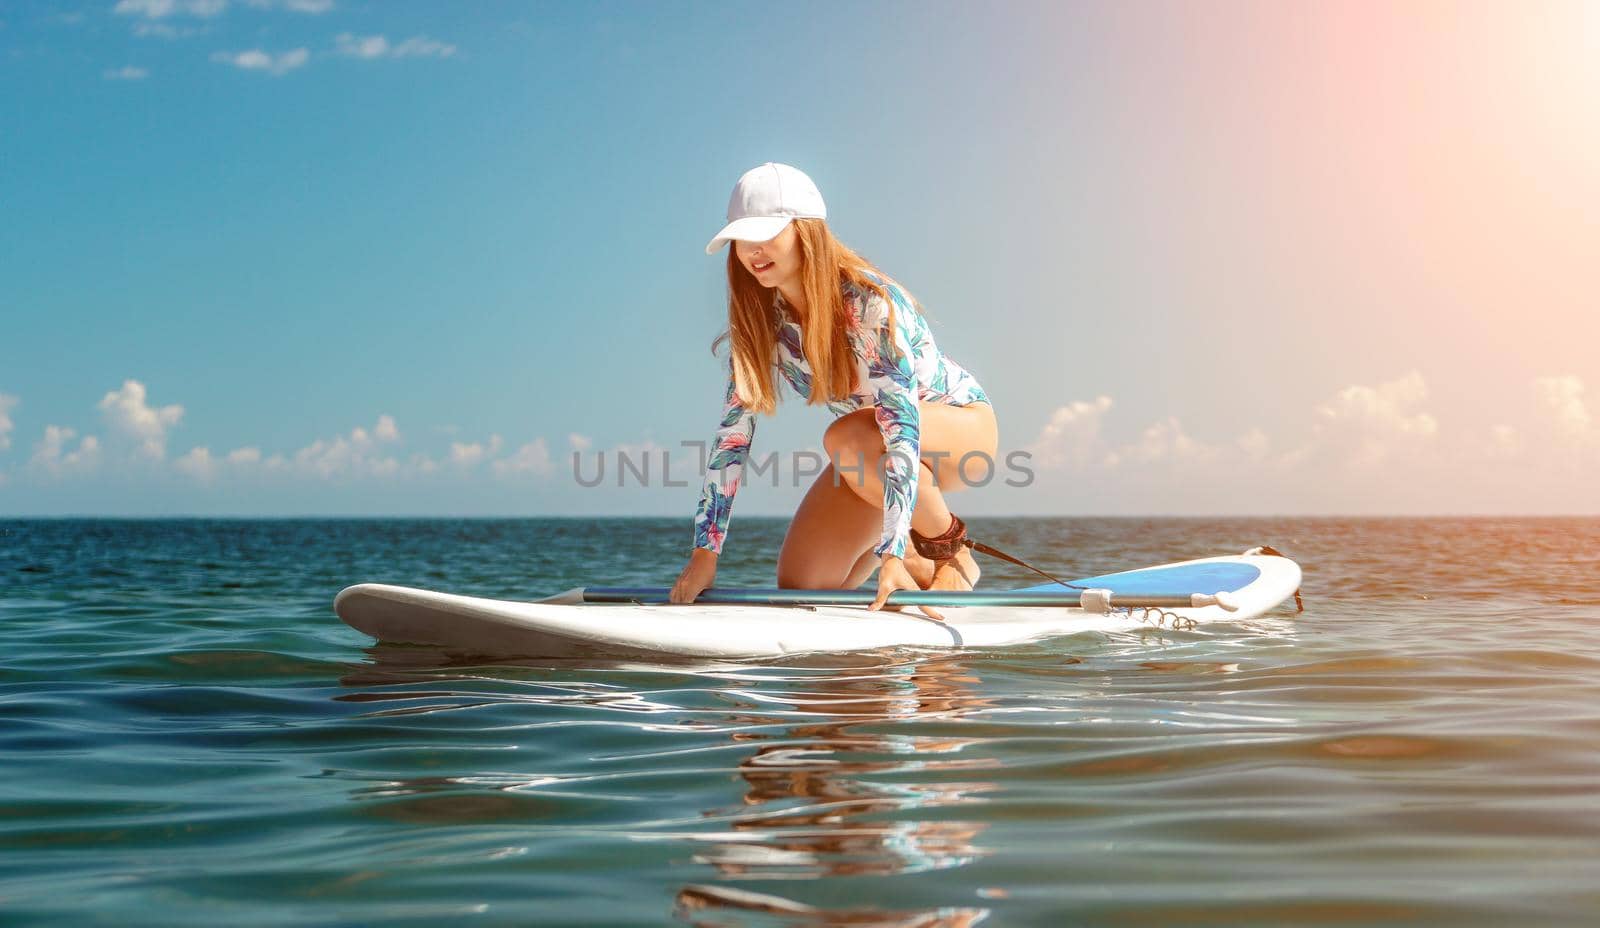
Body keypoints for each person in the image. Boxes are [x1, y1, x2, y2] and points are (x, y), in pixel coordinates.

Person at [669, 162, 997, 621]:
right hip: (870, 452)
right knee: (804, 584)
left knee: (847, 437)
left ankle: (952, 553)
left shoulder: (869, 303)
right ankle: (924, 567)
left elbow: (899, 427)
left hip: (956, 427)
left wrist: (892, 553)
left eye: (767, 234)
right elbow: (732, 442)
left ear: (806, 232)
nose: (753, 251)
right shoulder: (763, 325)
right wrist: (705, 557)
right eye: (743, 238)